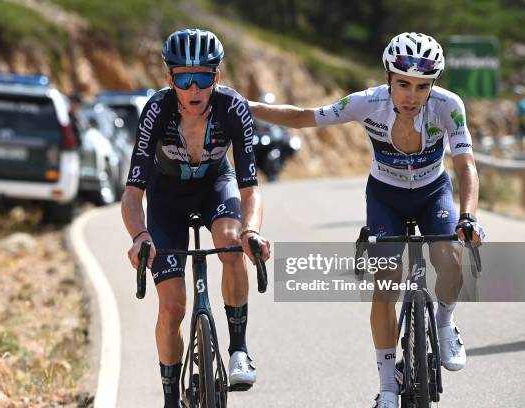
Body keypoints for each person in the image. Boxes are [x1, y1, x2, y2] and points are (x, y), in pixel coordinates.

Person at [248, 32, 485, 407]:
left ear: (433, 85)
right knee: (385, 283)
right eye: (403, 84)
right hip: (385, 195)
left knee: (451, 259)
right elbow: (304, 117)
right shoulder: (367, 103)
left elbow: (465, 164)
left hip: (431, 192)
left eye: (422, 87)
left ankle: (444, 324)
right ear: (388, 77)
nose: (411, 96)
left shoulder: (448, 106)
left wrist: (468, 216)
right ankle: (388, 388)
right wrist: (250, 107)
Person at [121, 29, 271, 408]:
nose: (193, 87)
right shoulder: (156, 110)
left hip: (214, 186)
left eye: (202, 76)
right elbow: (133, 193)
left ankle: (239, 350)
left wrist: (252, 230)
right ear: (169, 79)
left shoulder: (233, 108)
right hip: (166, 196)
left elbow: (250, 188)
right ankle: (171, 398)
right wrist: (140, 235)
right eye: (183, 77)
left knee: (231, 240)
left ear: (216, 77)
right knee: (172, 307)